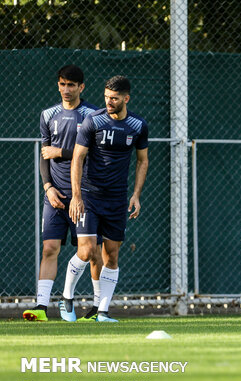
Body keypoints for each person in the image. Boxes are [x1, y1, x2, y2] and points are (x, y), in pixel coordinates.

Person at [64, 75, 149, 323]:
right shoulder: (93, 120)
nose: (108, 102)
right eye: (106, 97)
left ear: (126, 98)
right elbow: (77, 158)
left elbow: (142, 161)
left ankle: (102, 312)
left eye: (113, 98)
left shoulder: (138, 125)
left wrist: (136, 195)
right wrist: (76, 195)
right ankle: (67, 298)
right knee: (88, 249)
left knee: (111, 254)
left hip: (117, 199)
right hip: (89, 196)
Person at [23, 65, 102, 322]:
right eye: (62, 84)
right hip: (55, 195)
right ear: (58, 85)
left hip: (85, 194)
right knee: (49, 248)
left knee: (91, 250)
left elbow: (96, 153)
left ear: (82, 87)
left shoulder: (93, 115)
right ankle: (41, 307)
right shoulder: (48, 115)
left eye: (71, 85)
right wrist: (48, 187)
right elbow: (44, 155)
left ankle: (96, 308)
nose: (66, 90)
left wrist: (62, 153)